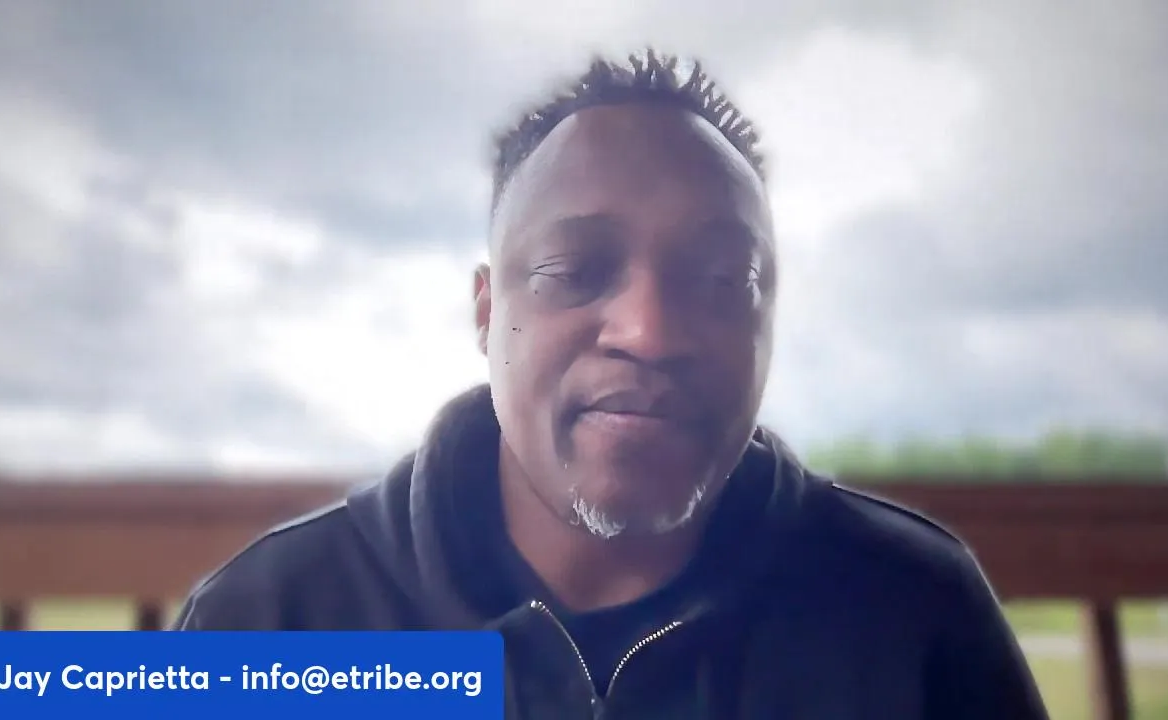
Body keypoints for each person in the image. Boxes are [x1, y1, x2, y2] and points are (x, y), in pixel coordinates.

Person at [172, 50, 1050, 719]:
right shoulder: (273, 622)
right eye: (577, 270)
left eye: (720, 280)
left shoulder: (912, 609)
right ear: (487, 313)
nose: (650, 332)